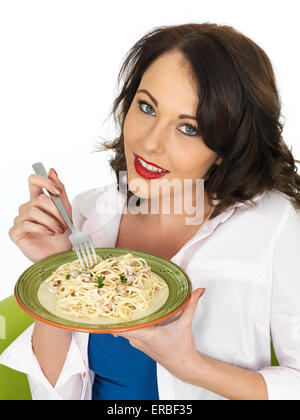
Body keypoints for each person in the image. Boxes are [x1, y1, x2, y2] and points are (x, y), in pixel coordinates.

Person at [1, 22, 300, 400]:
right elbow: (51, 394)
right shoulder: (90, 215)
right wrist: (56, 270)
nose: (151, 143)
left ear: (226, 146)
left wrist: (191, 366)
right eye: (146, 107)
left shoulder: (272, 222)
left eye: (189, 128)